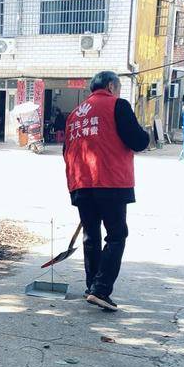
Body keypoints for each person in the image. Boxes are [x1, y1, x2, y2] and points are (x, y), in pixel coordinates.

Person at [63, 71, 149, 311]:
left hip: (80, 183)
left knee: (91, 235)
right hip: (110, 181)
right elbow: (138, 141)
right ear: (111, 86)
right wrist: (147, 134)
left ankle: (93, 287)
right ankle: (101, 290)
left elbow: (65, 151)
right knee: (116, 235)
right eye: (119, 88)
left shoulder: (74, 115)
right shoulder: (117, 105)